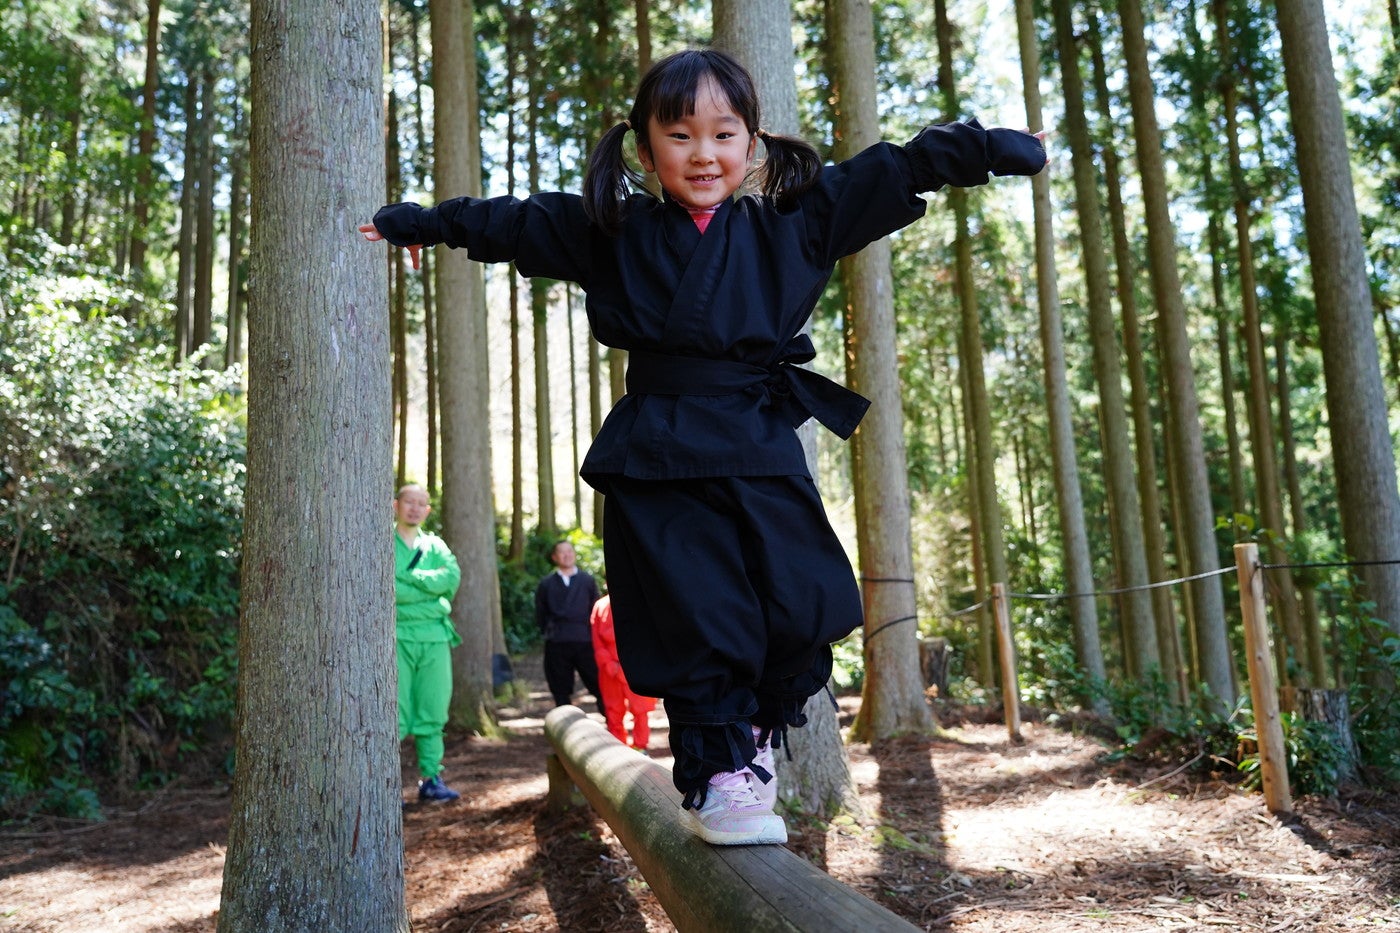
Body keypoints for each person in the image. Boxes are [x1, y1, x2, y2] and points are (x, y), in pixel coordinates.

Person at [361, 48, 1047, 844]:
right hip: (662, 450)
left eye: (723, 134)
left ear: (752, 144)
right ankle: (718, 773)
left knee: (798, 598)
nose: (703, 153)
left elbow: (894, 169)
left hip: (759, 439)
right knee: (697, 609)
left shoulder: (795, 222)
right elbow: (513, 222)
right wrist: (421, 221)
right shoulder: (613, 232)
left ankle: (750, 735)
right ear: (646, 148)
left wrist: (987, 146)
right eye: (680, 135)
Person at [393, 483, 463, 803]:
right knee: (393, 712)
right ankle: (386, 782)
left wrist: (410, 578)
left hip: (435, 636)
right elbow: (389, 589)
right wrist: (428, 588)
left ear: (428, 510)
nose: (415, 508)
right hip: (396, 637)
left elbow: (451, 578)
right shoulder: (383, 541)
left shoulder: (435, 545)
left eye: (422, 503)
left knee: (433, 709)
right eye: (410, 501)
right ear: (396, 505)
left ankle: (431, 778)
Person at [534, 540, 605, 715]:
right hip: (557, 640)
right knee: (560, 687)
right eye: (562, 552)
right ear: (554, 557)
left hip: (585, 640)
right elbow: (541, 613)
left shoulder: (587, 580)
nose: (567, 555)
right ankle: (565, 722)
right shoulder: (546, 584)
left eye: (570, 551)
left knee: (598, 683)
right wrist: (550, 631)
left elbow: (595, 608)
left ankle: (612, 723)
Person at [590, 587, 657, 752]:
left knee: (641, 710)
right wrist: (610, 665)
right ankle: (618, 749)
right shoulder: (600, 606)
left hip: (635, 667)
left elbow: (649, 637)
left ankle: (640, 747)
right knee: (613, 711)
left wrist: (636, 663)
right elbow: (597, 642)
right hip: (610, 670)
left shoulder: (641, 603)